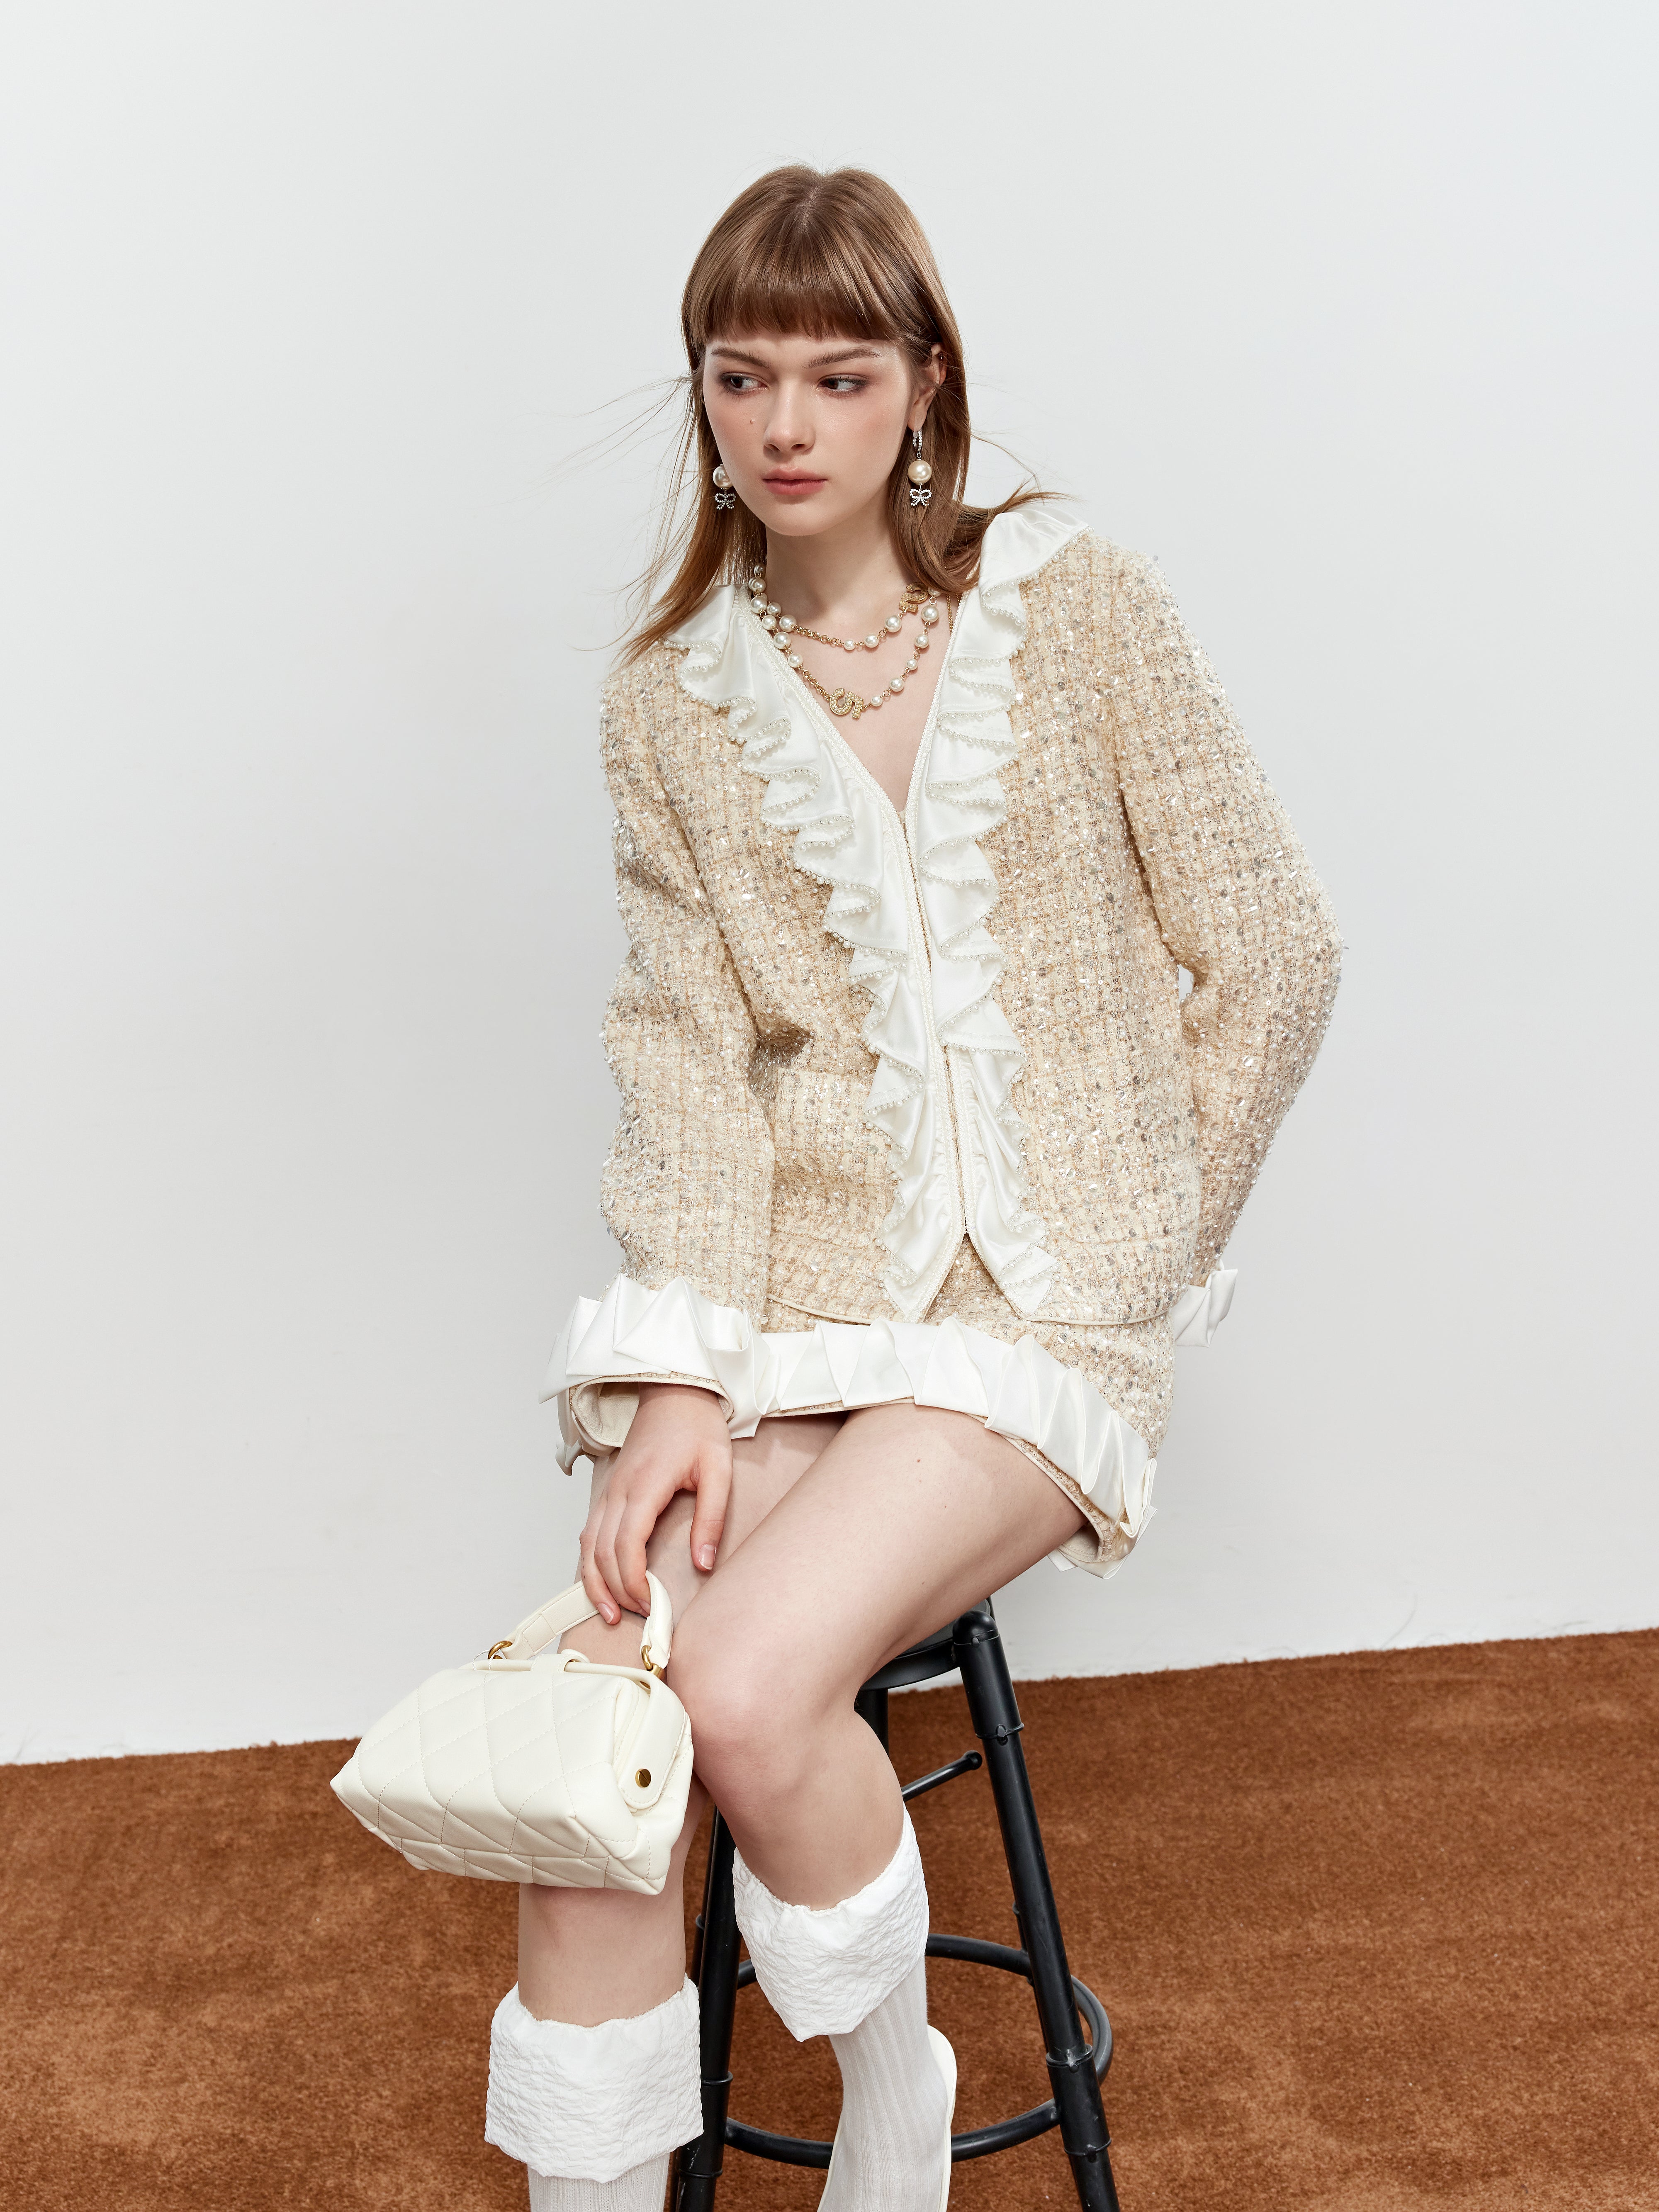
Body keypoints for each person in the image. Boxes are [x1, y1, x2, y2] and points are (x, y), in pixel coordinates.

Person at [483, 164, 1342, 2212]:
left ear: (924, 383)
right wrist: (679, 1378)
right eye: (741, 376)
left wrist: (1136, 1240)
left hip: (1032, 1330)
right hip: (795, 1309)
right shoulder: (671, 698)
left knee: (742, 1679)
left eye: (838, 375)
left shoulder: (1076, 603)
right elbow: (688, 1057)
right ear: (701, 392)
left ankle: (900, 2079)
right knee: (593, 1740)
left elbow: (1272, 949)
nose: (785, 424)